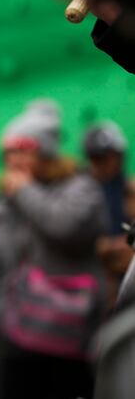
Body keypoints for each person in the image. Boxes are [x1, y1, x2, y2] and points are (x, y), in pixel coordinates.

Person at [0, 100, 108, 399]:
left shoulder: (81, 188)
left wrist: (24, 191)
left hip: (74, 342)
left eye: (23, 150)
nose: (13, 160)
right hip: (18, 343)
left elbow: (65, 227)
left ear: (45, 152)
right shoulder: (0, 207)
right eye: (8, 152)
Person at [83, 122, 134, 306]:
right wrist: (103, 247)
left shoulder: (129, 188)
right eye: (97, 159)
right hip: (95, 280)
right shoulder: (82, 191)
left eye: (109, 157)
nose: (104, 164)